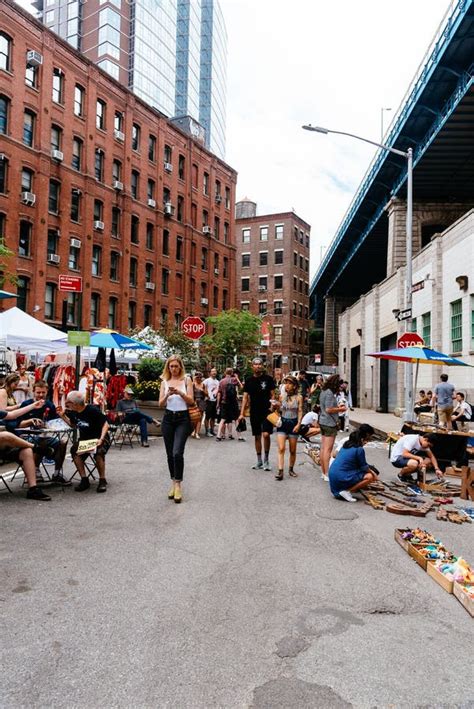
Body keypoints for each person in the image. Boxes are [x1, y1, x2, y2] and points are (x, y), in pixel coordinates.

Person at [16, 379, 69, 485]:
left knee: (63, 441)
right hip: (26, 436)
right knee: (40, 440)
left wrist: (61, 417)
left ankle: (57, 473)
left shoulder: (49, 404)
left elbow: (54, 422)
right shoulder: (26, 404)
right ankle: (35, 471)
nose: (40, 395)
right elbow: (18, 424)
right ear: (33, 392)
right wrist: (31, 421)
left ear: (47, 392)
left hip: (44, 435)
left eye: (43, 392)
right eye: (38, 392)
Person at [58, 391, 110, 493]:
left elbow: (106, 425)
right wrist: (63, 416)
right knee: (74, 450)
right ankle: (84, 479)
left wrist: (101, 439)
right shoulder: (73, 411)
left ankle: (102, 480)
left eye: (68, 401)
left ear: (75, 404)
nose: (67, 403)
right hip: (85, 440)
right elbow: (73, 425)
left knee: (98, 452)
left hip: (99, 438)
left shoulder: (92, 410)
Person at [158, 355, 194, 503]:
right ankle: (173, 482)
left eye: (176, 366)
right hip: (168, 419)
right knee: (169, 454)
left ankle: (178, 484)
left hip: (183, 419)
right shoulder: (164, 382)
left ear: (180, 367)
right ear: (168, 367)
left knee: (177, 452)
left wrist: (179, 392)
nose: (173, 369)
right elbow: (160, 404)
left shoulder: (186, 380)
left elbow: (191, 401)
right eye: (171, 366)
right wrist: (168, 394)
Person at [0, 401, 53, 500]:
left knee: (26, 451)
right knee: (4, 435)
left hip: (5, 448)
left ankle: (33, 489)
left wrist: (33, 406)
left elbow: (12, 415)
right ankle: (36, 448)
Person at [238, 358, 275, 471]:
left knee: (266, 434)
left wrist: (272, 406)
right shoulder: (249, 380)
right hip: (254, 411)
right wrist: (241, 413)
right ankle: (259, 461)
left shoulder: (268, 379)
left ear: (262, 366)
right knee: (257, 436)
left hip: (267, 412)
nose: (258, 366)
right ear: (252, 366)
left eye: (260, 364)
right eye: (256, 364)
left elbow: (273, 395)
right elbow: (245, 398)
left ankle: (266, 460)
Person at [328, 425, 378, 502]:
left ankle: (343, 491)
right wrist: (373, 474)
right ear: (361, 439)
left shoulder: (346, 445)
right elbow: (364, 467)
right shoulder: (359, 449)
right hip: (341, 476)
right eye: (366, 440)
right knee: (369, 476)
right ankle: (347, 491)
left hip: (333, 476)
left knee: (366, 471)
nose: (366, 442)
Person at [274, 375, 303, 480]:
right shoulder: (282, 396)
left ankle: (291, 469)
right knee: (281, 448)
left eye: (290, 383)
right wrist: (276, 406)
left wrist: (299, 424)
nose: (287, 385)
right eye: (286, 383)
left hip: (293, 424)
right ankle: (280, 471)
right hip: (283, 423)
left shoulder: (299, 397)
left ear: (294, 386)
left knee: (292, 450)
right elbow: (279, 410)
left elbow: (300, 411)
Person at [319, 375, 347, 482]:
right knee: (328, 449)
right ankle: (326, 473)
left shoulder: (324, 391)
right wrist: (341, 409)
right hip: (329, 423)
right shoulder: (330, 393)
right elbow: (329, 409)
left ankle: (323, 472)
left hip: (323, 421)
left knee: (323, 448)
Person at [216, 367, 240, 441]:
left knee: (222, 419)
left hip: (224, 402)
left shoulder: (221, 381)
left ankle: (218, 435)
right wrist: (237, 378)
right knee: (236, 419)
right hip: (233, 402)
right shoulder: (234, 380)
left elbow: (219, 393)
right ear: (232, 373)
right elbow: (242, 387)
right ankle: (239, 436)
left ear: (225, 373)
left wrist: (217, 404)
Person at [203, 367, 219, 437]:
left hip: (215, 401)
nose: (214, 373)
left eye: (215, 371)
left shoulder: (218, 382)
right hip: (208, 401)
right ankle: (207, 431)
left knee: (213, 417)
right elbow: (201, 387)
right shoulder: (206, 381)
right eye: (212, 371)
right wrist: (206, 395)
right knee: (207, 417)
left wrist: (218, 402)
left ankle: (212, 430)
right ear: (210, 373)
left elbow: (219, 392)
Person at [191, 372, 207, 439]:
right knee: (194, 418)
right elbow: (189, 393)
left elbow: (207, 394)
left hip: (201, 402)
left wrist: (203, 390)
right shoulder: (192, 384)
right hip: (194, 402)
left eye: (200, 377)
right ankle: (194, 430)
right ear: (195, 377)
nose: (199, 378)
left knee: (199, 418)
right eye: (198, 377)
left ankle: (197, 433)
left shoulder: (203, 385)